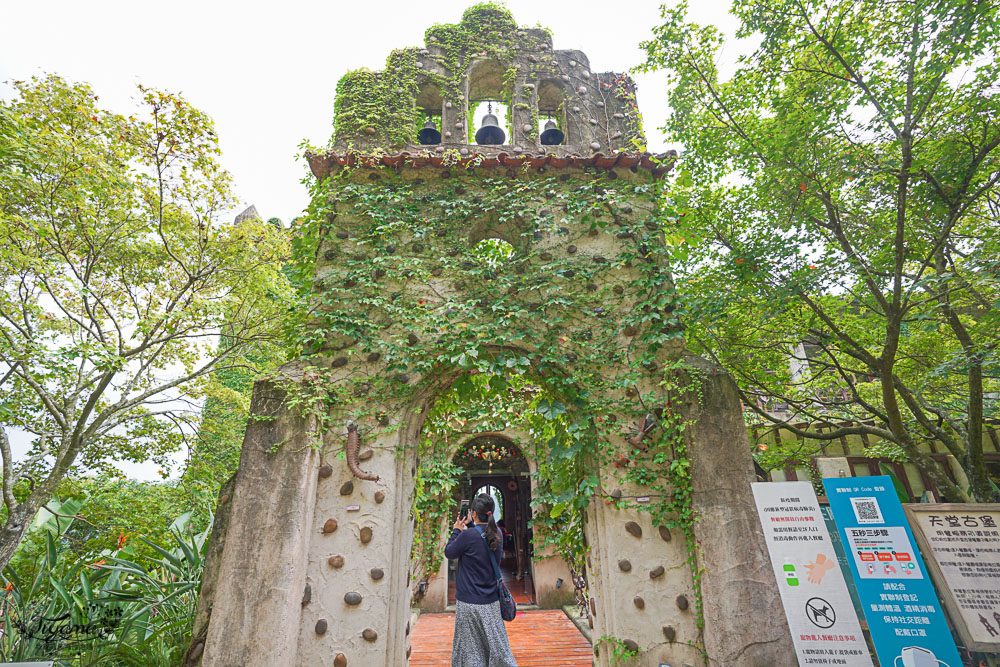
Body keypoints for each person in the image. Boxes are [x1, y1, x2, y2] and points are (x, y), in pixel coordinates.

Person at [445, 493, 517, 666]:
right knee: (496, 649)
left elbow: (450, 552)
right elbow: (480, 540)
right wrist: (471, 525)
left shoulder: (467, 536)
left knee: (471, 651)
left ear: (474, 514)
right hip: (491, 602)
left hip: (468, 603)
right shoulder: (496, 533)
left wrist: (457, 529)